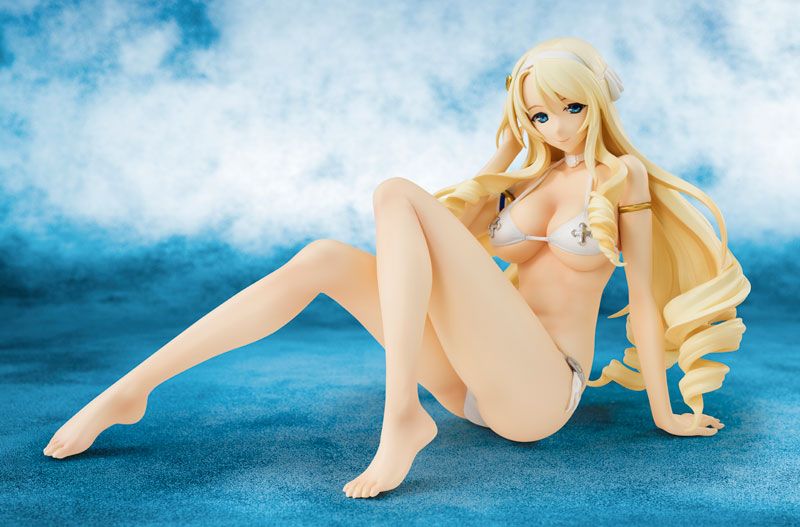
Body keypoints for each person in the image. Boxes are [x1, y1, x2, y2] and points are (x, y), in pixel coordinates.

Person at [42, 37, 750, 499]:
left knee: (395, 192)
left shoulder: (623, 179)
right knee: (324, 256)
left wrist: (666, 412)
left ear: (597, 101)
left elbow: (644, 298)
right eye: (539, 116)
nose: (558, 127)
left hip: (541, 394)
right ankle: (129, 391)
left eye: (571, 108)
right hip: (471, 388)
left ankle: (400, 416)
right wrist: (505, 157)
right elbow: (446, 242)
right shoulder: (523, 180)